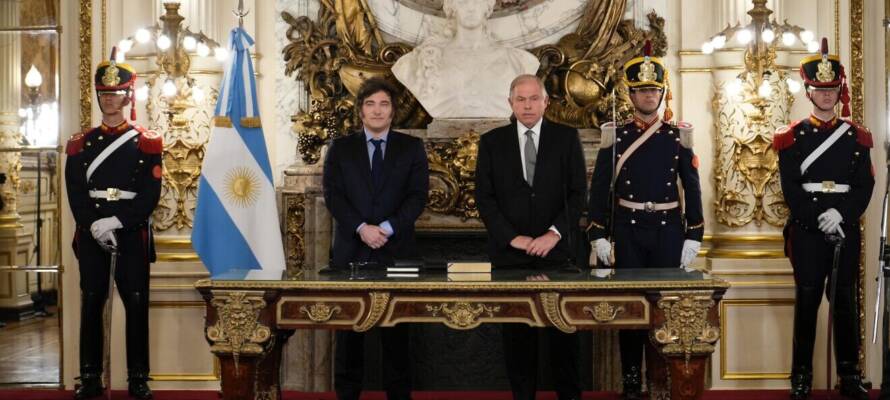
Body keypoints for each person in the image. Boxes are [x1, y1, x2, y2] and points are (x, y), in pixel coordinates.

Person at [587, 41, 703, 400]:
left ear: (661, 92)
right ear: (631, 94)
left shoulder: (677, 135)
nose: (648, 96)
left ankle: (659, 380)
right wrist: (598, 235)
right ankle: (632, 379)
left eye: (654, 90)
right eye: (641, 91)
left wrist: (693, 234)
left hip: (668, 231)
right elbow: (600, 190)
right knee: (631, 309)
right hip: (629, 230)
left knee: (663, 308)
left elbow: (692, 187)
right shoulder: (615, 136)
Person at [474, 74, 586, 400]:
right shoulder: (492, 142)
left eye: (533, 98)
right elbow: (485, 199)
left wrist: (553, 234)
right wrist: (514, 238)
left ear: (545, 102)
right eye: (520, 99)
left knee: (564, 340)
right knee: (518, 344)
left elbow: (578, 193)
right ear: (510, 103)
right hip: (511, 259)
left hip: (559, 256)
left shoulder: (566, 138)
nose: (527, 105)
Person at [774, 38, 873, 400]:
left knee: (845, 303)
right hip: (808, 232)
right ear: (808, 91)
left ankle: (849, 376)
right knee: (807, 302)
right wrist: (820, 217)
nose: (827, 96)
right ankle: (800, 377)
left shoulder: (858, 137)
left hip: (844, 228)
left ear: (839, 90)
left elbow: (865, 186)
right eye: (820, 89)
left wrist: (840, 214)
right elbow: (791, 189)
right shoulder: (791, 137)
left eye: (832, 89)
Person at [322, 77, 429, 400]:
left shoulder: (411, 148)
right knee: (349, 337)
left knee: (396, 337)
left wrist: (387, 227)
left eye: (384, 104)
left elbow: (417, 196)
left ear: (393, 112)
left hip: (396, 252)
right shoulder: (340, 149)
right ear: (361, 111)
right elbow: (333, 196)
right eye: (370, 104)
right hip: (351, 252)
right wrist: (362, 228)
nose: (377, 110)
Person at [65, 47, 163, 400]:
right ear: (98, 96)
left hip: (130, 232)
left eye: (117, 94)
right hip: (92, 233)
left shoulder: (147, 142)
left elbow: (151, 194)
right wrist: (95, 225)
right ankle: (90, 376)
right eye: (104, 94)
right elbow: (76, 192)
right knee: (92, 301)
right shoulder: (80, 144)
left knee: (136, 303)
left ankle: (138, 377)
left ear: (128, 96)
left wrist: (116, 221)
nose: (110, 100)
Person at [391, 0, 539, 119]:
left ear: (488, 6)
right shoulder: (423, 60)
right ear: (451, 6)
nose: (471, 8)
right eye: (463, 1)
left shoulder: (519, 61)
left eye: (477, 1)